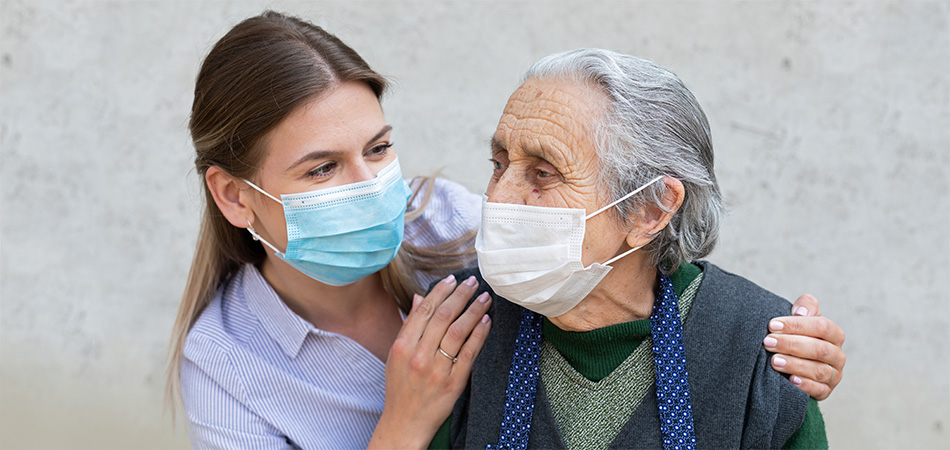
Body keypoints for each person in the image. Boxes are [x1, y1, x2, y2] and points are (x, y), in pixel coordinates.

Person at [166, 12, 845, 449]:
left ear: (649, 208)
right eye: (320, 170)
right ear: (234, 196)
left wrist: (786, 345)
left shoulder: (456, 226)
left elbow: (637, 265)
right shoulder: (224, 362)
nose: (501, 202)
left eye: (378, 149)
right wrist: (403, 426)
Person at [433, 49, 837, 449]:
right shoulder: (459, 327)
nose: (499, 198)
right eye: (499, 164)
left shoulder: (757, 357)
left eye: (543, 174)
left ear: (650, 209)